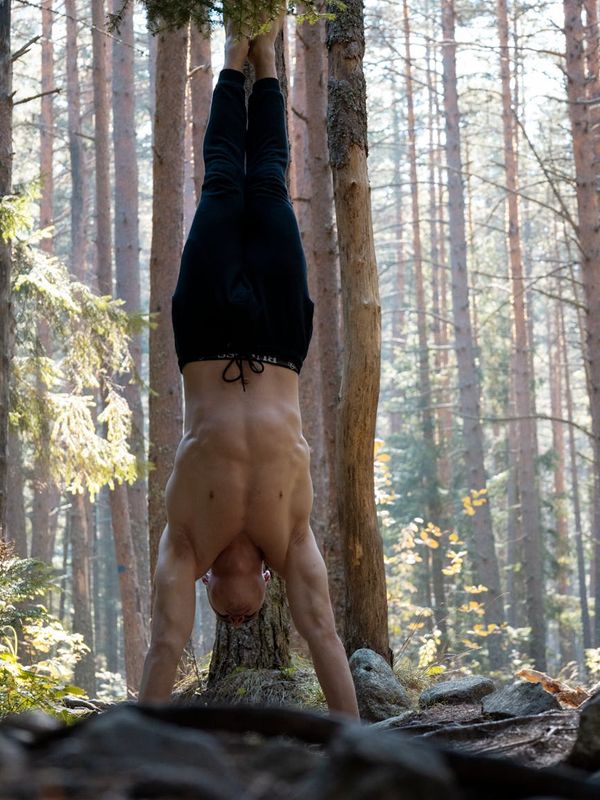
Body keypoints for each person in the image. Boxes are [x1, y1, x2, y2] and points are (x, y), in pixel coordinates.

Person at [138, 9, 359, 718]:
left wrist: (137, 741)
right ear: (267, 577)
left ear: (208, 585)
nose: (232, 616)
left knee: (227, 182)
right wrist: (356, 739)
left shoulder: (190, 540)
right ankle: (262, 58)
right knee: (258, 180)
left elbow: (166, 647)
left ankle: (242, 52)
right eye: (243, 618)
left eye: (226, 618)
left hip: (208, 330)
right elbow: (319, 631)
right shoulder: (280, 535)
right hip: (273, 334)